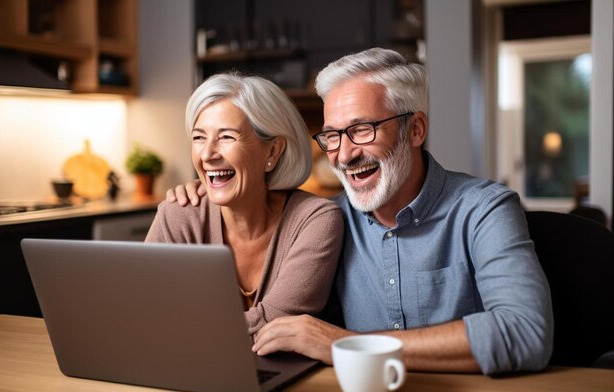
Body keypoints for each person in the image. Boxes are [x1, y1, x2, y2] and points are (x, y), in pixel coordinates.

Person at [166, 48, 554, 375]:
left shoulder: (484, 209)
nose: (345, 154)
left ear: (415, 129)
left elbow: (525, 331)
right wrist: (209, 188)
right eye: (332, 135)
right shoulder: (325, 220)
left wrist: (347, 344)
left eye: (363, 129)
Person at [146, 72, 344, 338]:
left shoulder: (316, 220)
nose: (207, 155)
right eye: (199, 137)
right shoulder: (178, 214)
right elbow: (143, 311)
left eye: (226, 137)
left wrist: (181, 328)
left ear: (272, 152)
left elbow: (276, 327)